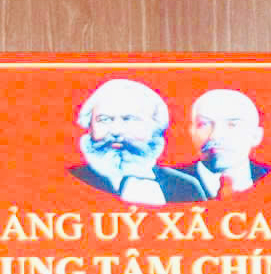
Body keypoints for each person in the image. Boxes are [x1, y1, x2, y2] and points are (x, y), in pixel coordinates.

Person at [67, 77, 204, 204]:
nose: (116, 131)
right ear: (89, 127)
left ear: (155, 128)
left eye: (129, 119)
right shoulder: (71, 182)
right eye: (104, 120)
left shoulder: (184, 187)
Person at [169, 88, 271, 197]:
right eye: (204, 124)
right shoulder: (167, 183)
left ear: (256, 136)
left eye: (232, 125)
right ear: (192, 132)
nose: (215, 135)